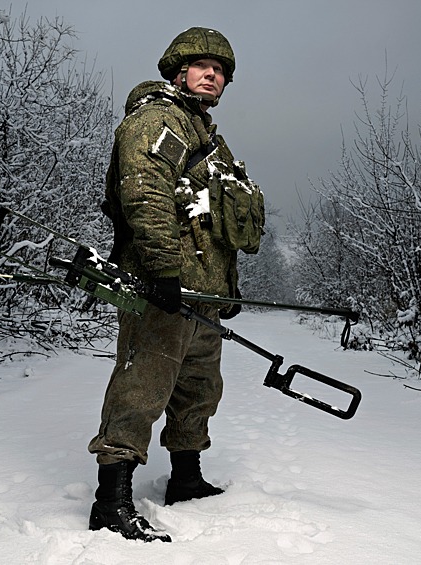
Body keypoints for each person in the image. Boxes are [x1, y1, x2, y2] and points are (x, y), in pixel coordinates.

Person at [88, 27, 264, 543]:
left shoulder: (207, 136)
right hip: (161, 288)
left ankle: (186, 478)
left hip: (202, 296)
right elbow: (145, 196)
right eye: (205, 66)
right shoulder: (157, 121)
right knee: (142, 386)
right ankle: (111, 500)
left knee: (198, 389)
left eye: (223, 71)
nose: (216, 75)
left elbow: (217, 221)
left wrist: (219, 290)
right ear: (178, 70)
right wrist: (163, 272)